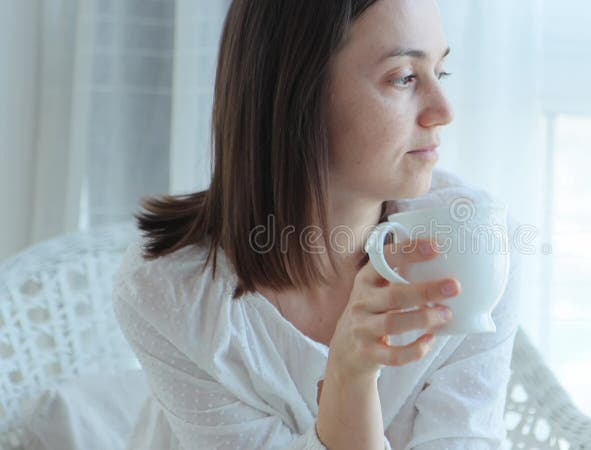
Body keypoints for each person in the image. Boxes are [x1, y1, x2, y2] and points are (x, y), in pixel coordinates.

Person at [112, 0, 522, 448]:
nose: (443, 111)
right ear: (294, 94)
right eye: (404, 77)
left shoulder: (474, 244)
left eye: (440, 73)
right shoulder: (169, 290)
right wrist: (349, 377)